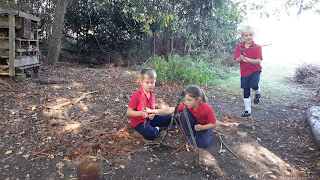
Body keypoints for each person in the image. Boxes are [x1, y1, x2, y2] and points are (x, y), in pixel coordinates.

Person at [145, 85, 216, 148]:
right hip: (194, 122)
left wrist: (202, 127)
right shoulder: (187, 105)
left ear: (198, 100)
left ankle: (206, 132)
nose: (186, 102)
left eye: (189, 100)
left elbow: (214, 124)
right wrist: (153, 111)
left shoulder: (207, 108)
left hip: (204, 126)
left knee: (203, 144)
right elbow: (171, 110)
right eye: (185, 100)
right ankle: (189, 135)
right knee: (184, 114)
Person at [126, 68, 172, 140]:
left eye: (152, 82)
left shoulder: (152, 95)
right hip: (139, 122)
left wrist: (152, 114)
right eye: (147, 83)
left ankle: (184, 121)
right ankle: (157, 129)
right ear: (141, 82)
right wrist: (141, 113)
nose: (150, 85)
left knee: (170, 118)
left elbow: (152, 109)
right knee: (151, 134)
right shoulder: (137, 95)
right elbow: (128, 112)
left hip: (150, 119)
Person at [234, 25, 263, 117]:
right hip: (244, 72)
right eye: (246, 35)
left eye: (251, 35)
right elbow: (236, 60)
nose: (249, 37)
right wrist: (240, 58)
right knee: (246, 90)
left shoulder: (257, 47)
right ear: (242, 37)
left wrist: (248, 59)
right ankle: (248, 111)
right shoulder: (240, 47)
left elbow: (258, 61)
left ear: (253, 35)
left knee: (254, 85)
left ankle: (258, 93)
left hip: (255, 70)